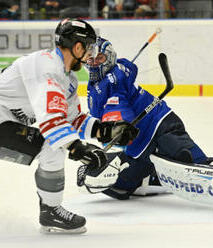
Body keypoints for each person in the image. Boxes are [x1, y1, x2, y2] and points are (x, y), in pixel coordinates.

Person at [82, 37, 213, 217]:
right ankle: (152, 176)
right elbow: (128, 69)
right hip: (138, 148)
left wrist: (115, 128)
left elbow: (119, 109)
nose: (94, 63)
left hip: (160, 124)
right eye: (91, 58)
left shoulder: (112, 82)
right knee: (118, 186)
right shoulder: (103, 80)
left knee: (190, 160)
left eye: (100, 58)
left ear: (110, 58)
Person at [0, 19, 138, 234]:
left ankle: (50, 210)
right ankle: (50, 210)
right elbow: (51, 120)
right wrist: (78, 149)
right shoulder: (46, 68)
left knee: (53, 145)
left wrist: (106, 130)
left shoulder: (68, 78)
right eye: (89, 47)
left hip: (5, 122)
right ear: (77, 47)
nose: (91, 54)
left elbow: (72, 118)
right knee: (53, 145)